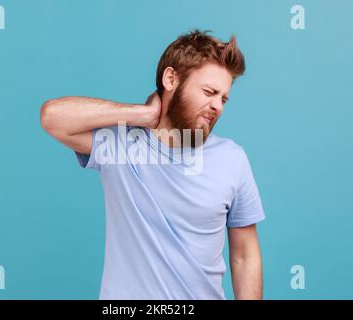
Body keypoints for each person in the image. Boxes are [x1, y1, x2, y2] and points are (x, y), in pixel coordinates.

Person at [40, 29, 266, 300]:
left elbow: (244, 254)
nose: (218, 106)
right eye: (209, 92)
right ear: (171, 78)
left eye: (224, 98)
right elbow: (53, 117)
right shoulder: (121, 146)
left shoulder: (233, 159)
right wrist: (144, 114)